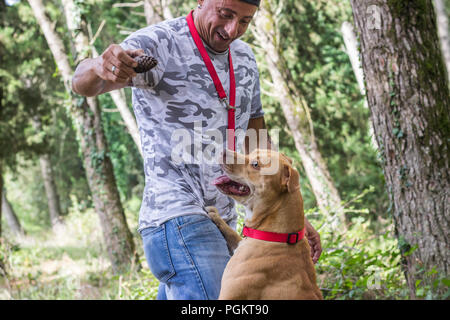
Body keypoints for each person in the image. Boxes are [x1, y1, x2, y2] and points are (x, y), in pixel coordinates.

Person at [72, 0, 322, 300]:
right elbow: (83, 83)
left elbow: (255, 138)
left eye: (245, 21)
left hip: (225, 222)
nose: (232, 30)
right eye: (226, 15)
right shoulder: (161, 43)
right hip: (178, 213)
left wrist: (289, 210)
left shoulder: (244, 57)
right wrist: (100, 65)